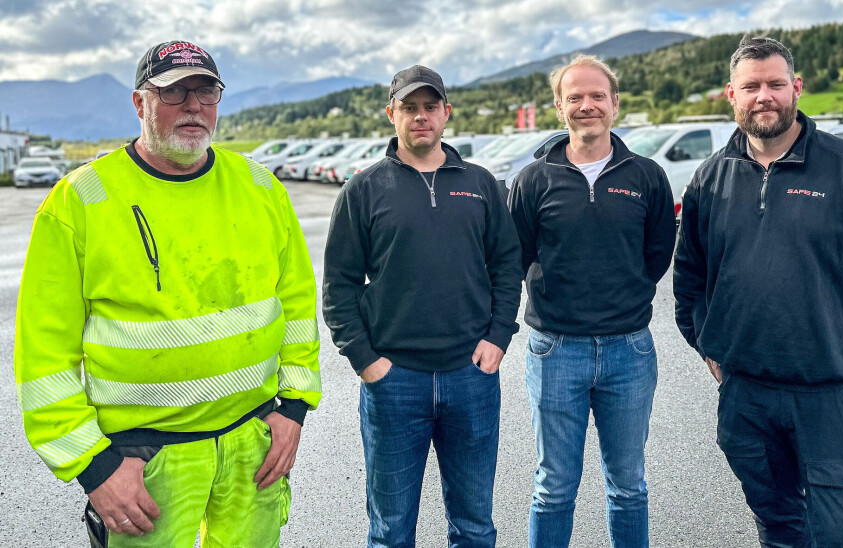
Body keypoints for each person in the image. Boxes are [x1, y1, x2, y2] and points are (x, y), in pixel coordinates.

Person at [14, 40, 322, 547]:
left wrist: (292, 411)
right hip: (144, 462)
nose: (194, 106)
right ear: (140, 103)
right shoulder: (81, 200)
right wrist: (93, 467)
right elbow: (44, 356)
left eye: (206, 91)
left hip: (253, 448)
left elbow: (296, 311)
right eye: (174, 92)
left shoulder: (261, 189)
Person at [673, 36, 843, 547]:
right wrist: (708, 343)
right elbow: (691, 276)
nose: (763, 96)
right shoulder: (711, 178)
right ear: (731, 94)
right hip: (746, 395)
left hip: (836, 396)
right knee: (779, 529)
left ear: (796, 88)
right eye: (751, 87)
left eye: (775, 84)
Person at [322, 65, 522, 547]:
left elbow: (507, 265)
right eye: (409, 107)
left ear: (446, 113)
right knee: (391, 530)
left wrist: (497, 338)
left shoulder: (481, 183)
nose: (420, 117)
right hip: (395, 383)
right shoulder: (363, 190)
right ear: (392, 114)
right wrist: (367, 363)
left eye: (430, 107)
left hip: (470, 378)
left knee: (474, 525)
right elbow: (338, 286)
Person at [507, 54, 676, 548]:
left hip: (630, 350)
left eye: (597, 96)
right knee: (553, 487)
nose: (587, 106)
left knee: (628, 486)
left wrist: (622, 294)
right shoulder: (533, 180)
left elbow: (657, 252)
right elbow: (516, 257)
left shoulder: (646, 176)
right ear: (559, 107)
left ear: (614, 104)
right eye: (575, 97)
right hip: (555, 351)